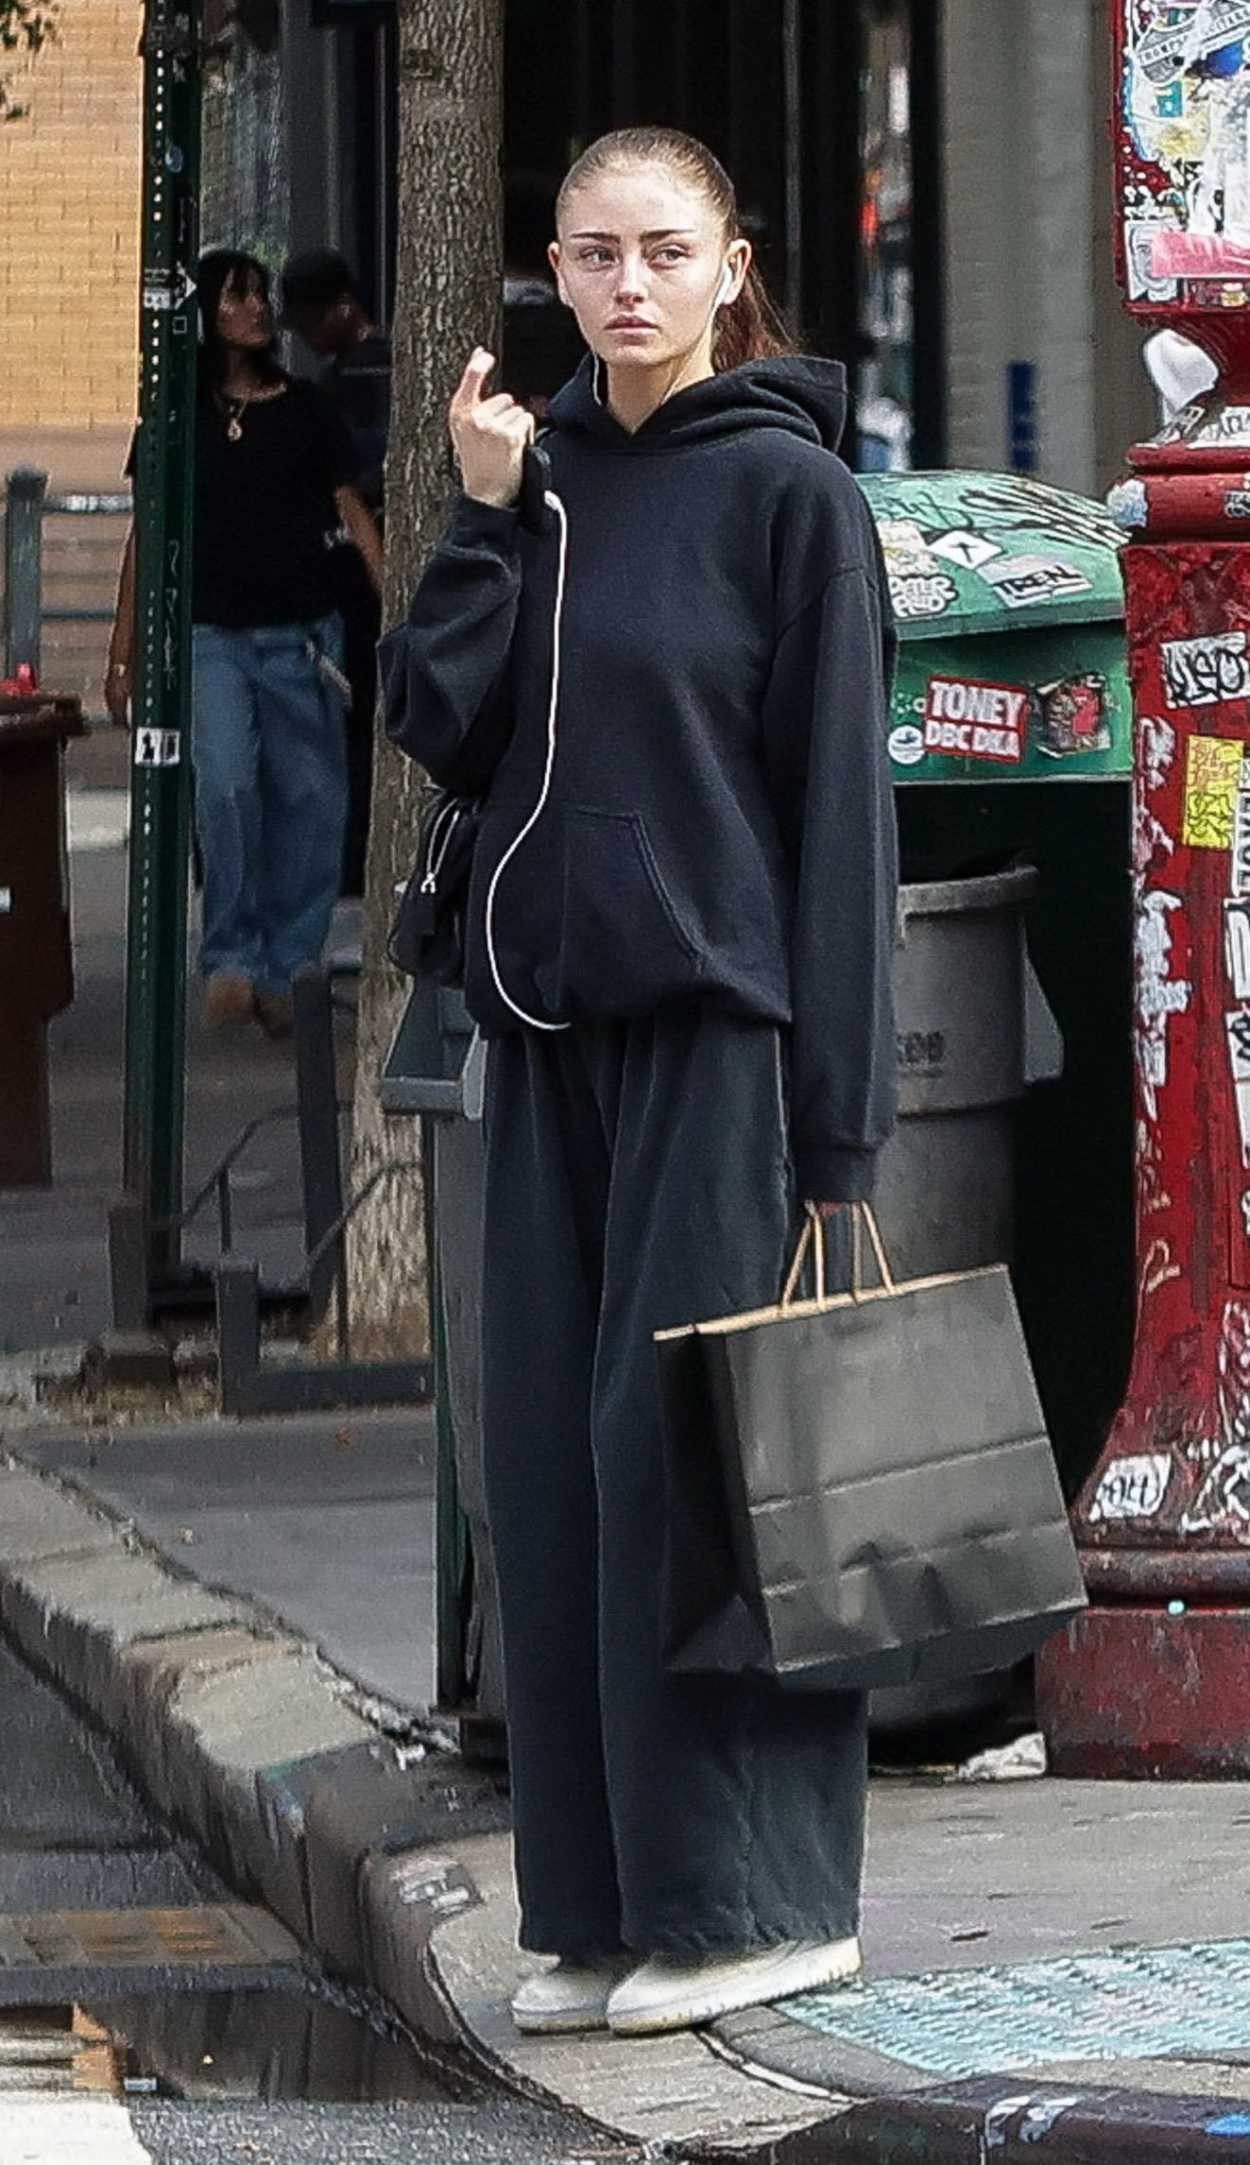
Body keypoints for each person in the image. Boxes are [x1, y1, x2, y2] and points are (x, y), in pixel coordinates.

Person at [381, 128, 897, 2038]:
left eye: (665, 251)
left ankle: (760, 1901)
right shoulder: (539, 482)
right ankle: (598, 1911)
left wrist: (840, 1129)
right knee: (555, 1474)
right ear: (554, 267)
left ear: (731, 265)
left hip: (718, 1044)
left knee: (693, 1475)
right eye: (594, 253)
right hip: (546, 1038)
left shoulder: (792, 497)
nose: (627, 286)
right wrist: (480, 516)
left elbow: (840, 823)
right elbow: (437, 722)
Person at [106, 251, 383, 1034]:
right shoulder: (175, 419)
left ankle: (287, 965)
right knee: (226, 785)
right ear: (205, 314)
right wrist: (123, 654)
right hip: (211, 637)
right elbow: (146, 533)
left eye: (260, 294)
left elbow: (353, 511)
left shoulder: (307, 411)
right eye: (238, 295)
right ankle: (231, 953)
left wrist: (399, 608)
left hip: (303, 639)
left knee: (311, 803)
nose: (257, 307)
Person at [281, 247, 393, 895]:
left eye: (309, 321)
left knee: (350, 723)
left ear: (343, 308)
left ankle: (352, 857)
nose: (303, 336)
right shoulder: (387, 369)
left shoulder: (339, 391)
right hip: (364, 569)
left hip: (351, 571)